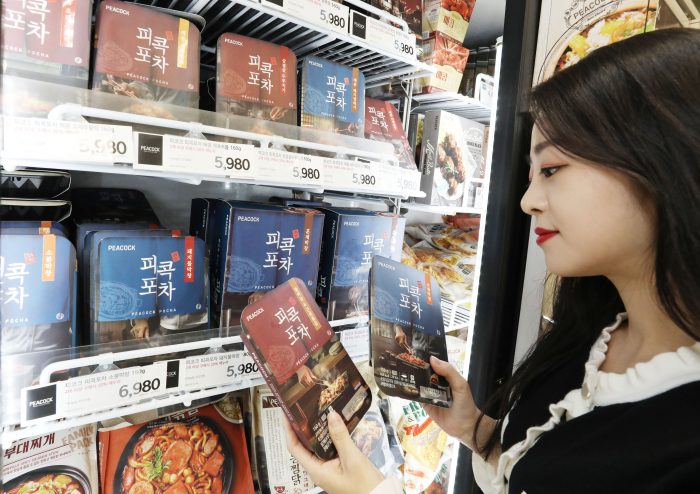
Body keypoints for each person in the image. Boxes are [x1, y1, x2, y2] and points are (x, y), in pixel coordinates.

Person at [283, 27, 700, 493]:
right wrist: (475, 430)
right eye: (531, 174)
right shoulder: (592, 334)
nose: (527, 201)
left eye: (551, 169)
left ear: (664, 159)